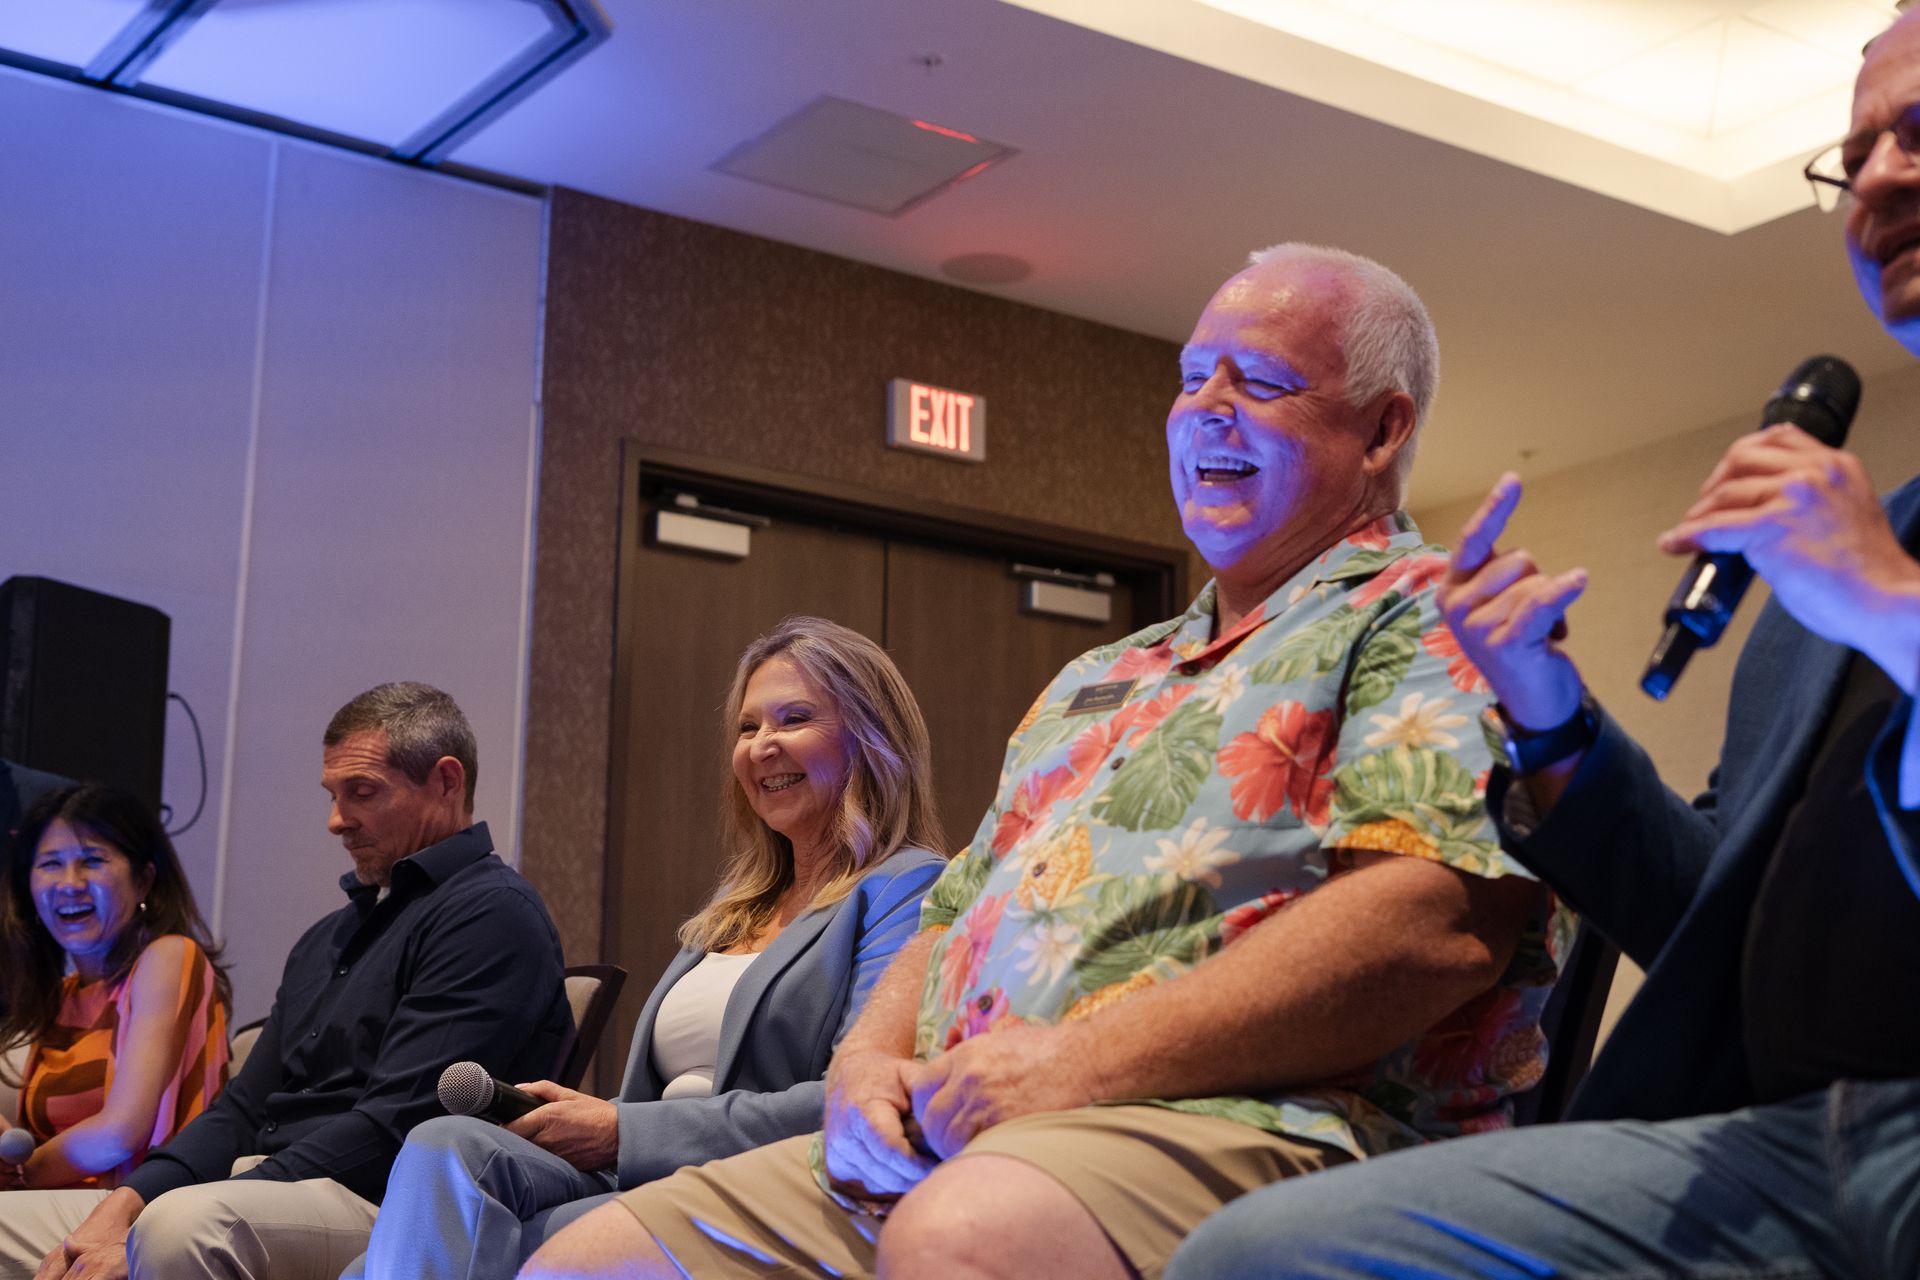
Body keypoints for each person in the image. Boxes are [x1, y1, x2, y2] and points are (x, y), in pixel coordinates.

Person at [517, 244, 1565, 1280]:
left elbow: (1430, 927)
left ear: (1382, 428)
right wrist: (866, 1068)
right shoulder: (1098, 675)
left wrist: (1068, 1065)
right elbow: (950, 913)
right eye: (1193, 377)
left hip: (1270, 1123)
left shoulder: (1435, 615)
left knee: (964, 1235)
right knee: (585, 1261)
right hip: (975, 1129)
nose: (1206, 408)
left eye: (1262, 382)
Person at [1164, 17, 1920, 1280]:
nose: (1882, 176)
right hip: (1776, 1141)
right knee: (1266, 1252)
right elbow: (1703, 914)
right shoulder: (1822, 590)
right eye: (1856, 156)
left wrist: (1893, 606)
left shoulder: (1863, 575)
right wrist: (1552, 718)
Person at [344, 617, 949, 1279]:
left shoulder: (907, 888)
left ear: (871, 738)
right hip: (644, 1173)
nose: (762, 746)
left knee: (426, 1253)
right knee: (446, 1143)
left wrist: (625, 1131)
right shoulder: (738, 907)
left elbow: (855, 1098)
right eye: (748, 727)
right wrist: (593, 1118)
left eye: (794, 719)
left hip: (763, 1189)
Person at [4, 681, 572, 1280]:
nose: (336, 821)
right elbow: (242, 1109)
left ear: (446, 782)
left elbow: (396, 1128)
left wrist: (170, 1216)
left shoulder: (490, 914)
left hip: (392, 1203)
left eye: (361, 792)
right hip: (266, 1187)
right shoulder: (328, 937)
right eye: (332, 795)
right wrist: (125, 1204)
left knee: (178, 1227)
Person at [0, 784, 231, 1193]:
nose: (69, 883)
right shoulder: (61, 996)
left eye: (92, 861)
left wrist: (21, 1175)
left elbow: (120, 1134)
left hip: (135, 1205)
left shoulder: (169, 956)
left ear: (143, 880)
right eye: (51, 864)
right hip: (48, 1206)